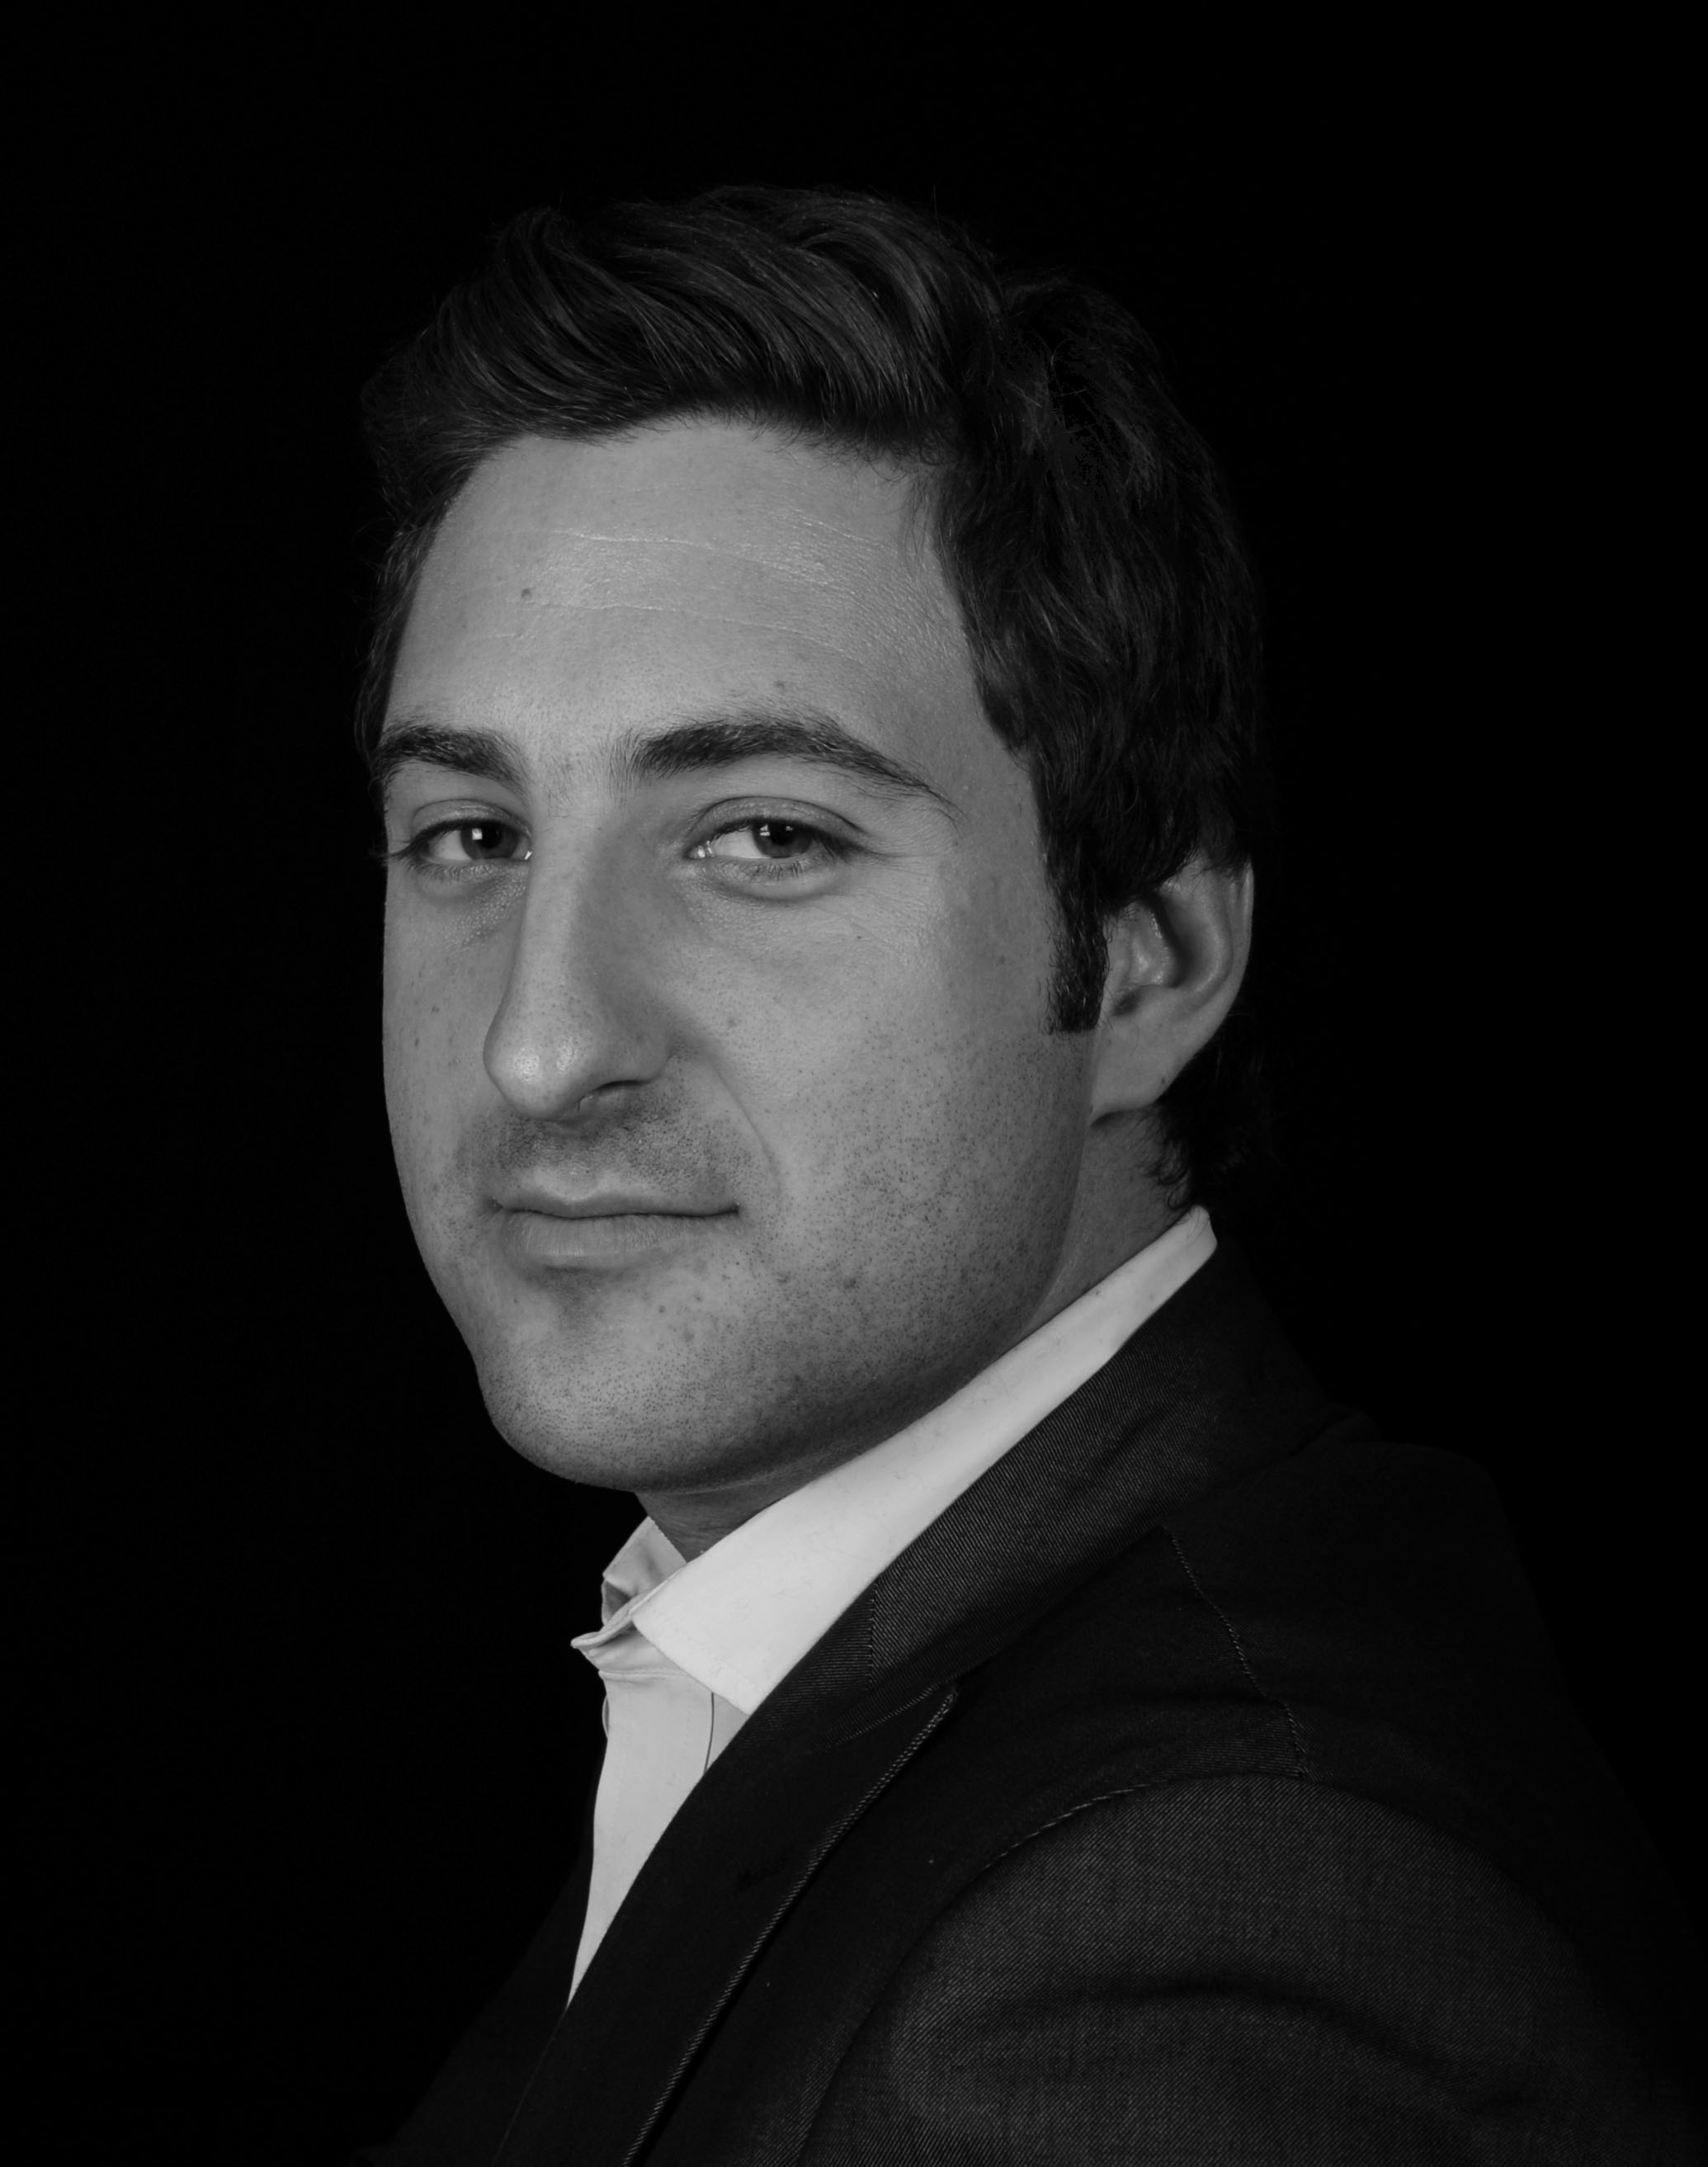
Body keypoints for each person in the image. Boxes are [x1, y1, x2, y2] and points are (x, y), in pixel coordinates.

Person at [353, 186, 1701, 2164]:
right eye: (472, 835)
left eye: (766, 836)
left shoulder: (1177, 1939)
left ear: (1147, 961)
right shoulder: (850, 1666)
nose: (539, 1046)